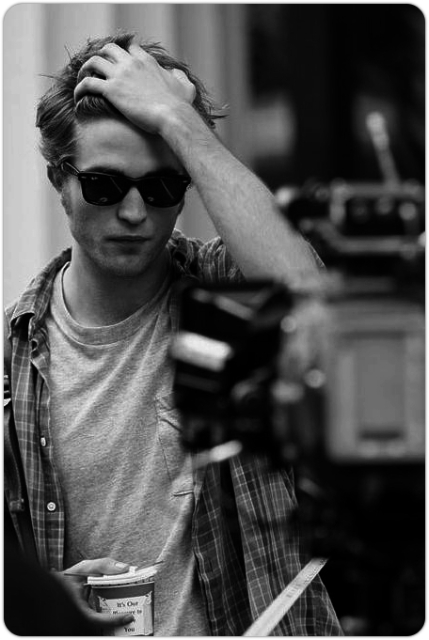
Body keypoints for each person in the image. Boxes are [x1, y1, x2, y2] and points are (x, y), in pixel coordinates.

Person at [4, 31, 342, 635]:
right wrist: (38, 603)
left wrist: (180, 122)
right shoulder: (12, 358)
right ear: (59, 180)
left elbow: (313, 302)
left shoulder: (224, 295)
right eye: (104, 186)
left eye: (162, 188)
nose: (135, 213)